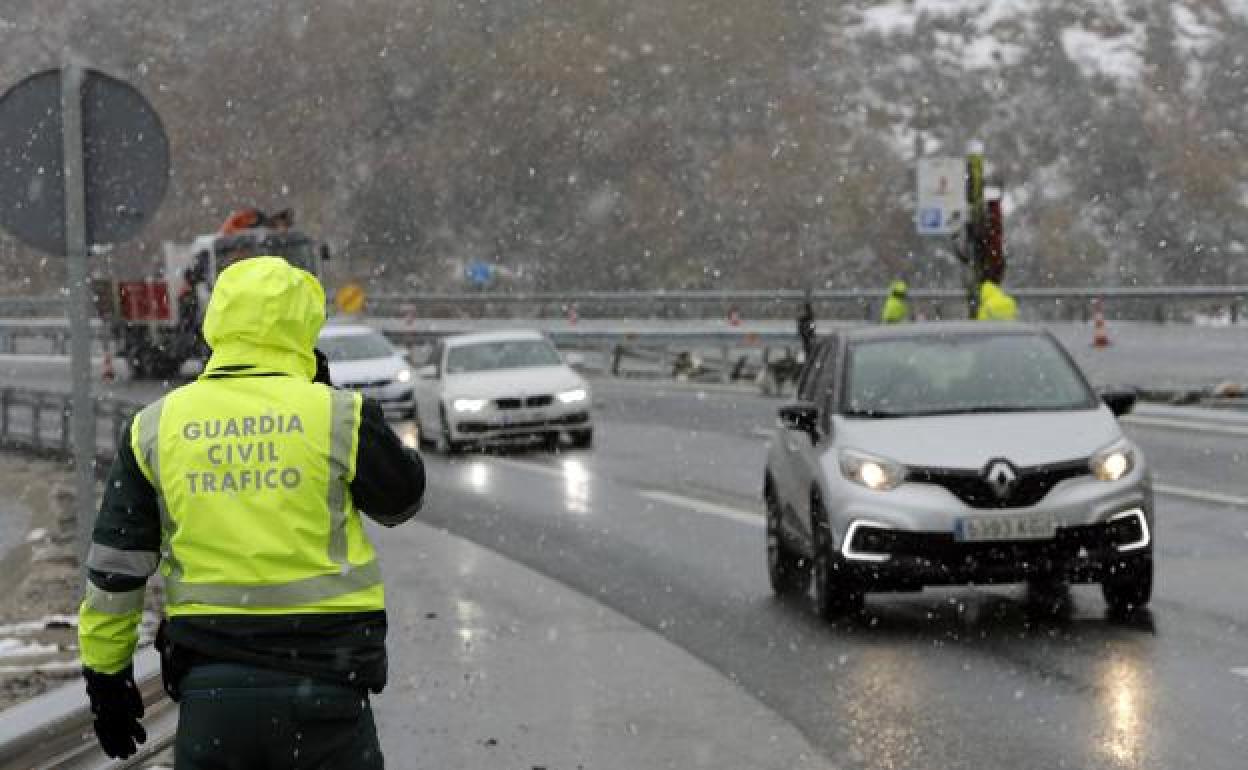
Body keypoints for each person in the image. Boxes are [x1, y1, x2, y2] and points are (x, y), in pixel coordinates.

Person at [78, 256, 425, 767]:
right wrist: (328, 397)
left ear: (216, 321)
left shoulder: (155, 427)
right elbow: (402, 501)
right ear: (305, 323)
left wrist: (106, 677)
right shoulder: (337, 415)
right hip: (327, 686)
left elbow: (115, 570)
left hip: (212, 695)